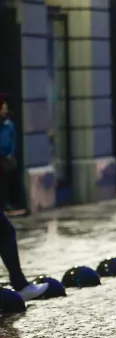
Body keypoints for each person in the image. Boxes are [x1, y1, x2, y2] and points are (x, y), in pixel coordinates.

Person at [0, 94, 48, 301]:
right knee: (5, 232)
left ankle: (20, 284)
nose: (5, 108)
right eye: (3, 105)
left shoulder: (7, 125)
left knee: (5, 231)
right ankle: (20, 285)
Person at [0, 93, 18, 210]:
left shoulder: (9, 125)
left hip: (6, 158)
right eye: (3, 108)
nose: (5, 111)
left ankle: (8, 202)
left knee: (8, 181)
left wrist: (10, 154)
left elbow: (13, 141)